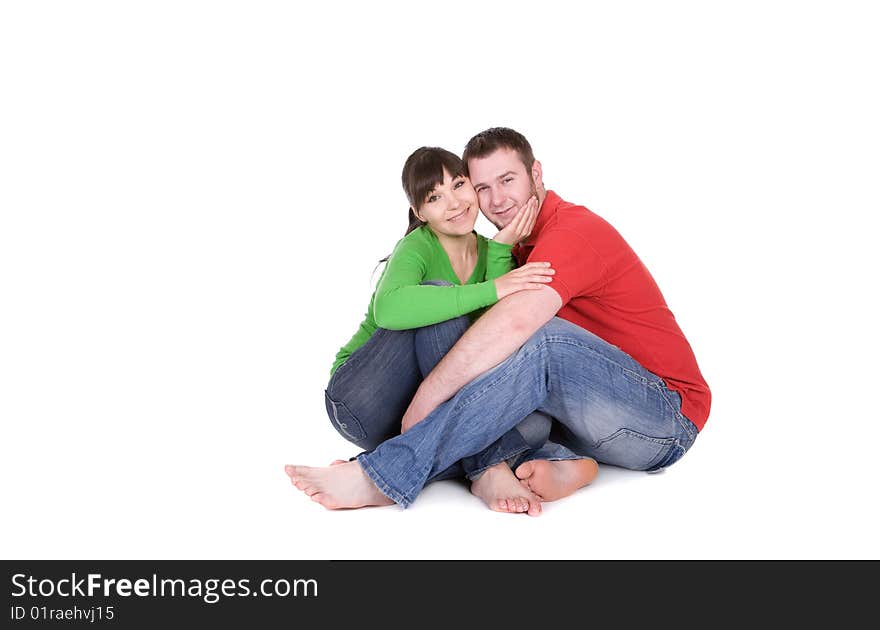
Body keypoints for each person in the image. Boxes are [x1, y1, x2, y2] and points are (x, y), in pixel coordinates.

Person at [286, 128, 709, 514]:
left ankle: (382, 475)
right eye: (483, 187)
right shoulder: (511, 249)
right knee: (497, 368)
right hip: (588, 419)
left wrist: (427, 398)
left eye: (508, 180)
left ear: (536, 174)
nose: (497, 200)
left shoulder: (571, 233)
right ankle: (547, 462)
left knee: (542, 342)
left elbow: (512, 327)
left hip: (664, 417)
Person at [302, 145, 567, 514]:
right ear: (419, 212)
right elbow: (389, 308)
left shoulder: (492, 250)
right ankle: (489, 464)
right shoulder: (416, 248)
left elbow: (489, 347)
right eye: (434, 196)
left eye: (459, 185)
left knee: (532, 417)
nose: (454, 203)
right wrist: (493, 288)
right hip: (362, 399)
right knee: (439, 297)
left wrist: (501, 251)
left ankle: (404, 461)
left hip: (420, 413)